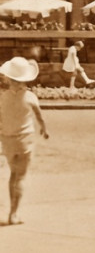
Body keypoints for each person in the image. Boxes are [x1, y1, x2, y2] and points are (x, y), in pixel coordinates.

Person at [0, 57, 48, 226]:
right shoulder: (30, 97)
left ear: (9, 78)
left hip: (7, 140)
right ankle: (14, 213)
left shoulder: (2, 97)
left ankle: (12, 209)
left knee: (13, 175)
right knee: (21, 176)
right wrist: (44, 128)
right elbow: (39, 116)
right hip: (25, 140)